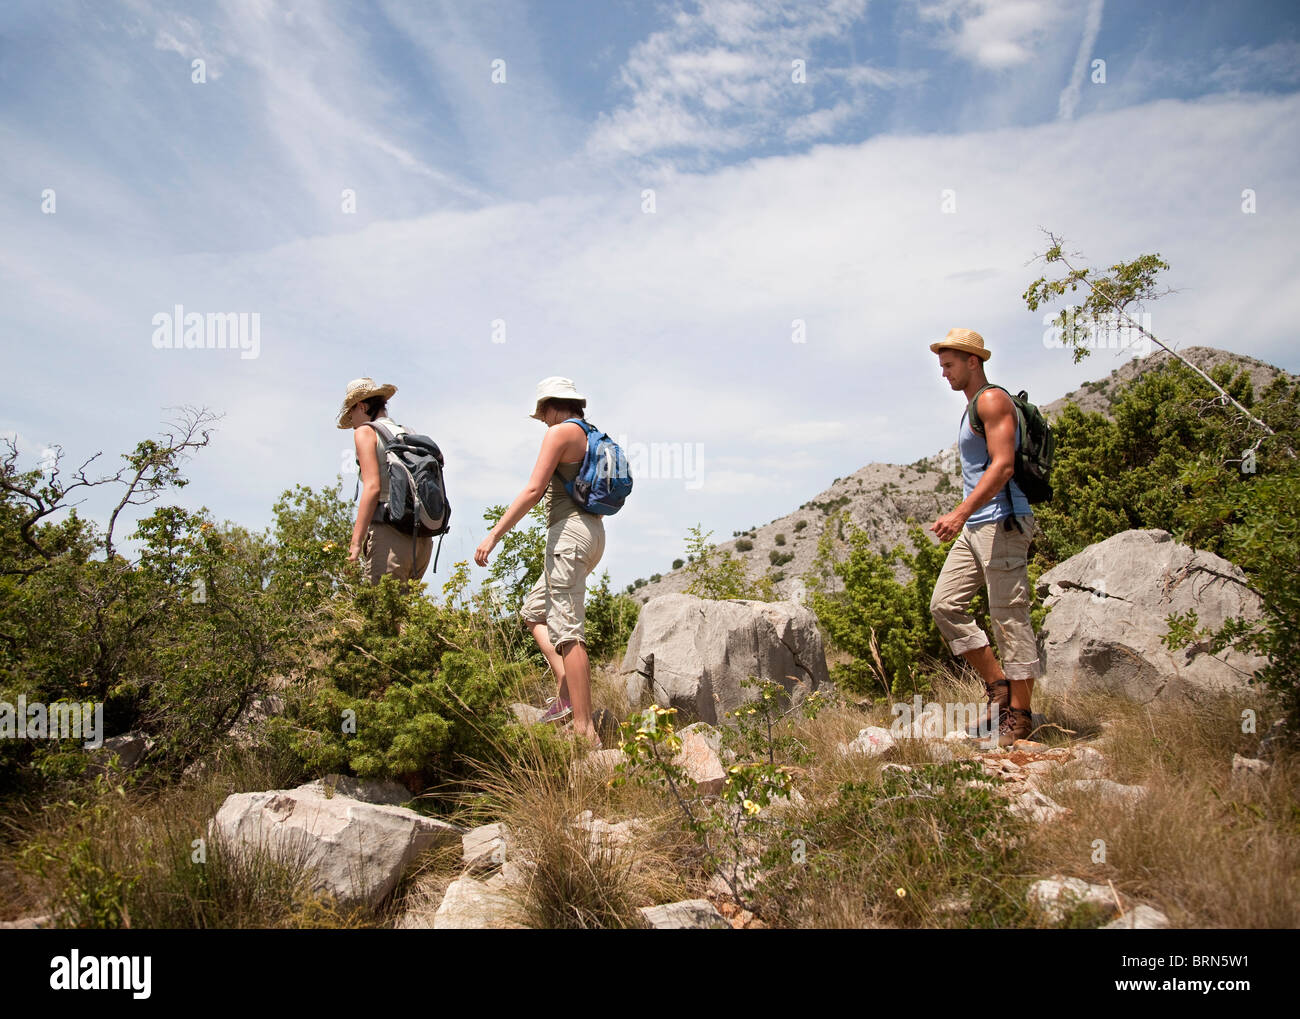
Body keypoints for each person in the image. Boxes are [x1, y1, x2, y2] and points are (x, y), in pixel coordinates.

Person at [475, 377, 606, 746]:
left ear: (552, 405)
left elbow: (533, 489)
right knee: (534, 612)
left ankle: (585, 729)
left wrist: (494, 535)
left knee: (568, 631)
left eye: (543, 412)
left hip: (569, 536)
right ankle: (567, 695)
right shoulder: (588, 432)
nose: (543, 420)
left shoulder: (560, 433)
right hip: (592, 534)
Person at [926, 329, 1040, 746]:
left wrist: (959, 513)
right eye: (941, 365)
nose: (944, 373)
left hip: (1003, 523)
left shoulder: (992, 400)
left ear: (973, 361)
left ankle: (1021, 717)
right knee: (945, 605)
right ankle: (1000, 688)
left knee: (1010, 617)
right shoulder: (971, 407)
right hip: (977, 527)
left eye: (949, 364)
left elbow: (1004, 466)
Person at [338, 377, 434, 585]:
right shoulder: (408, 433)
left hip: (390, 536)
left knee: (379, 613)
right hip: (422, 540)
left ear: (362, 406)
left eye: (351, 414)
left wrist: (355, 544)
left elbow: (372, 488)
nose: (352, 423)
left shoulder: (366, 432)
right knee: (406, 614)